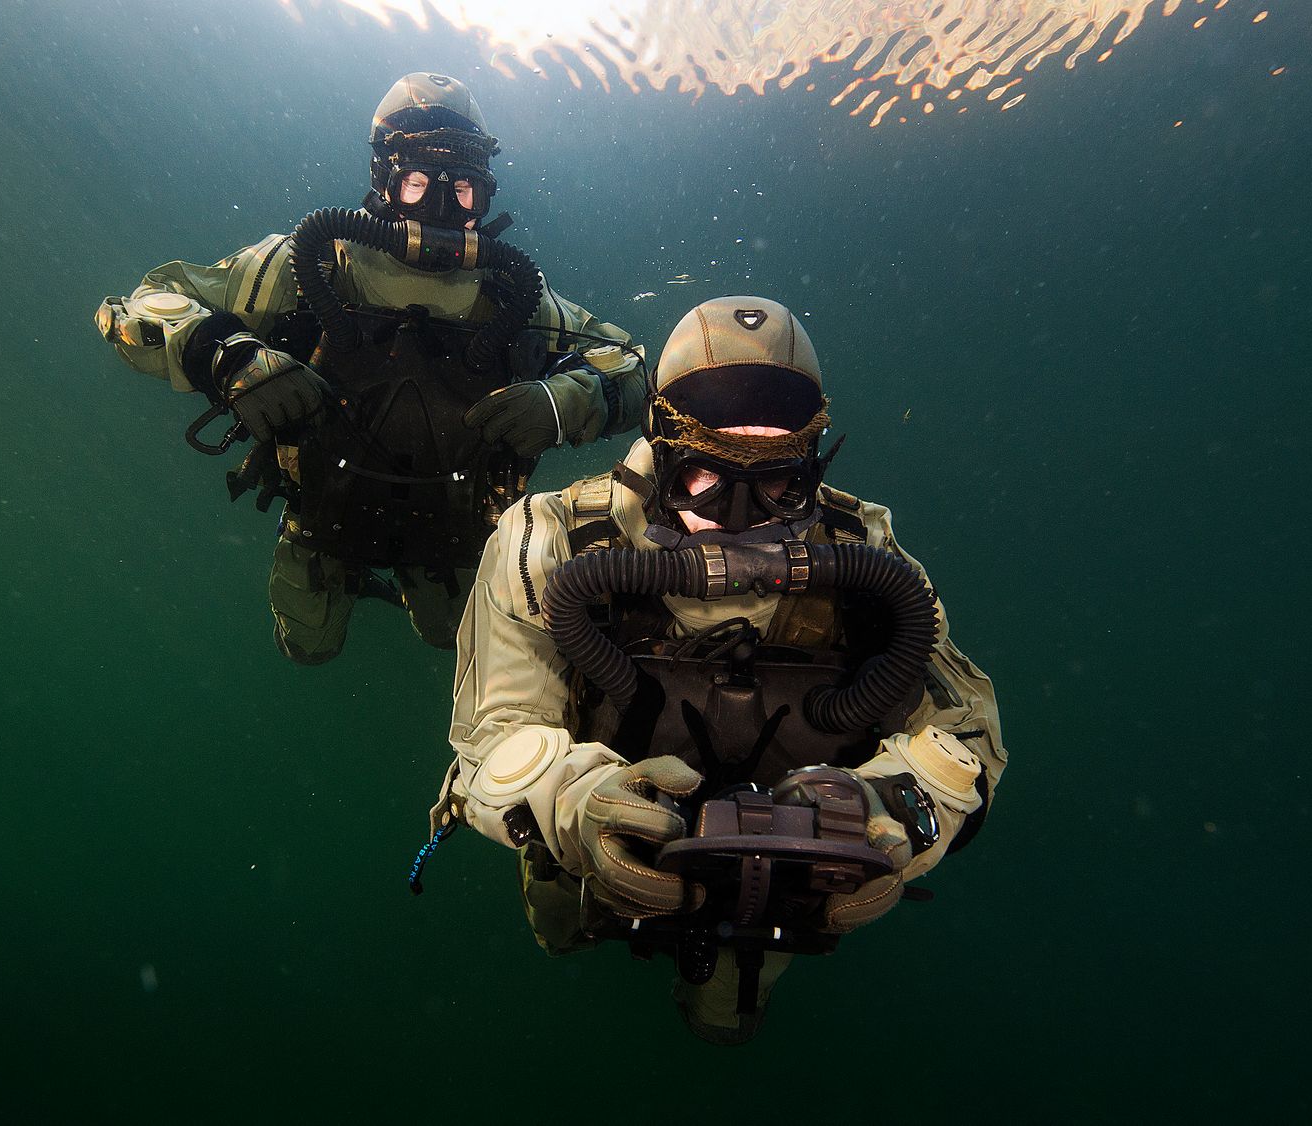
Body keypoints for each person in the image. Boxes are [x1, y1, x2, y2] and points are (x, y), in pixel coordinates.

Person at [430, 295, 1007, 1044]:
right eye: (705, 476)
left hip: (791, 885)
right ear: (661, 447)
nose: (738, 516)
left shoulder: (870, 558)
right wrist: (576, 803)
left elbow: (967, 735)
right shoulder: (551, 542)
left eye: (777, 482)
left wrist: (892, 812)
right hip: (604, 852)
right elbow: (493, 733)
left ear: (813, 463)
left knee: (730, 1018)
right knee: (563, 927)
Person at [95, 72, 646, 664]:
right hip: (324, 521)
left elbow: (636, 368)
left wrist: (564, 403)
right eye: (415, 184)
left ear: (484, 195)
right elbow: (138, 303)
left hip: (457, 538)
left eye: (462, 190)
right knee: (306, 647)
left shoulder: (516, 297)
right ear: (383, 179)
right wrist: (226, 356)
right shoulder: (308, 264)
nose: (438, 205)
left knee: (455, 641)